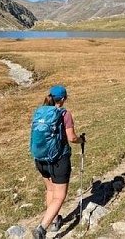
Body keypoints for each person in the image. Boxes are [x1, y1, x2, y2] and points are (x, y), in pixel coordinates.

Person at [33, 85, 85, 239]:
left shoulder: (40, 112)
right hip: (59, 160)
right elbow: (72, 138)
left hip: (40, 158)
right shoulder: (64, 114)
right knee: (59, 196)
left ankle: (55, 220)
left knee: (50, 190)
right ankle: (41, 229)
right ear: (62, 99)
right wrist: (81, 140)